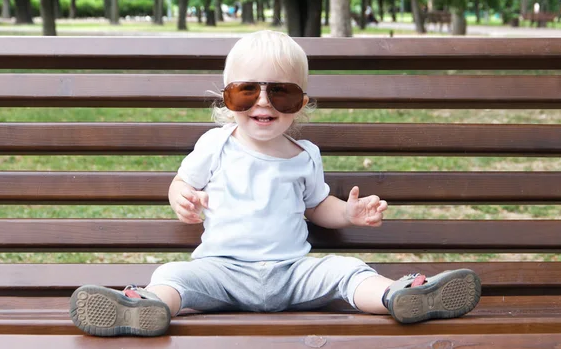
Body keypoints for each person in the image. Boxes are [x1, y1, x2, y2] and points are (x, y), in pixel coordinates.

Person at [69, 30, 482, 337]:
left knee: (348, 271)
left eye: (279, 94)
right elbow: (181, 182)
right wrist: (183, 199)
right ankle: (144, 308)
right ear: (227, 101)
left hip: (292, 271)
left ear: (300, 104)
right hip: (222, 270)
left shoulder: (304, 156)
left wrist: (349, 213)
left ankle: (400, 297)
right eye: (246, 92)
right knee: (174, 274)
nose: (262, 103)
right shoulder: (215, 145)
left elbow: (319, 207)